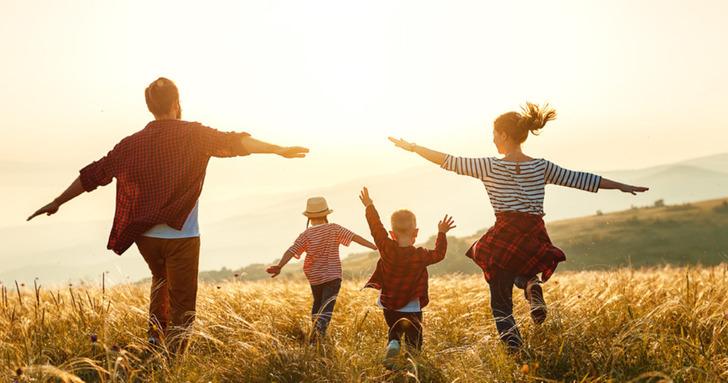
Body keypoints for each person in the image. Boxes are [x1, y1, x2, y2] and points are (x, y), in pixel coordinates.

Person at [27, 77, 309, 350]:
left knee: (160, 281)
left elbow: (94, 174)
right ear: (177, 102)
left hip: (144, 236)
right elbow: (235, 142)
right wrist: (277, 150)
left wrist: (57, 201)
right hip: (181, 235)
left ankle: (154, 340)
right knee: (183, 301)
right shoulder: (195, 135)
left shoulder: (130, 144)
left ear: (150, 106)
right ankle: (174, 358)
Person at [388, 103, 648, 351]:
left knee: (500, 302)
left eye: (493, 134)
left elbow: (448, 160)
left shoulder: (489, 166)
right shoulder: (541, 166)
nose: (492, 139)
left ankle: (516, 351)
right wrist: (622, 186)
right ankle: (530, 285)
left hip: (505, 233)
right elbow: (581, 179)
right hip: (534, 233)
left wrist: (413, 148)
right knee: (520, 269)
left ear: (503, 134)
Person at [358, 187, 454, 368]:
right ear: (416, 233)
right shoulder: (421, 255)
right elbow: (439, 254)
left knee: (394, 329)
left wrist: (369, 206)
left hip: (389, 303)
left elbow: (376, 228)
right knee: (414, 337)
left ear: (392, 234)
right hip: (411, 305)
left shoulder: (386, 247)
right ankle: (412, 363)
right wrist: (442, 233)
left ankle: (393, 342)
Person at [266, 197, 377, 341]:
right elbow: (354, 237)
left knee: (317, 303)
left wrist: (280, 266)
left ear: (309, 217)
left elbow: (291, 251)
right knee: (327, 306)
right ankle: (318, 335)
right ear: (326, 214)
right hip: (333, 275)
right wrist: (374, 246)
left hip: (315, 277)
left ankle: (314, 334)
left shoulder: (306, 235)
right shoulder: (334, 228)